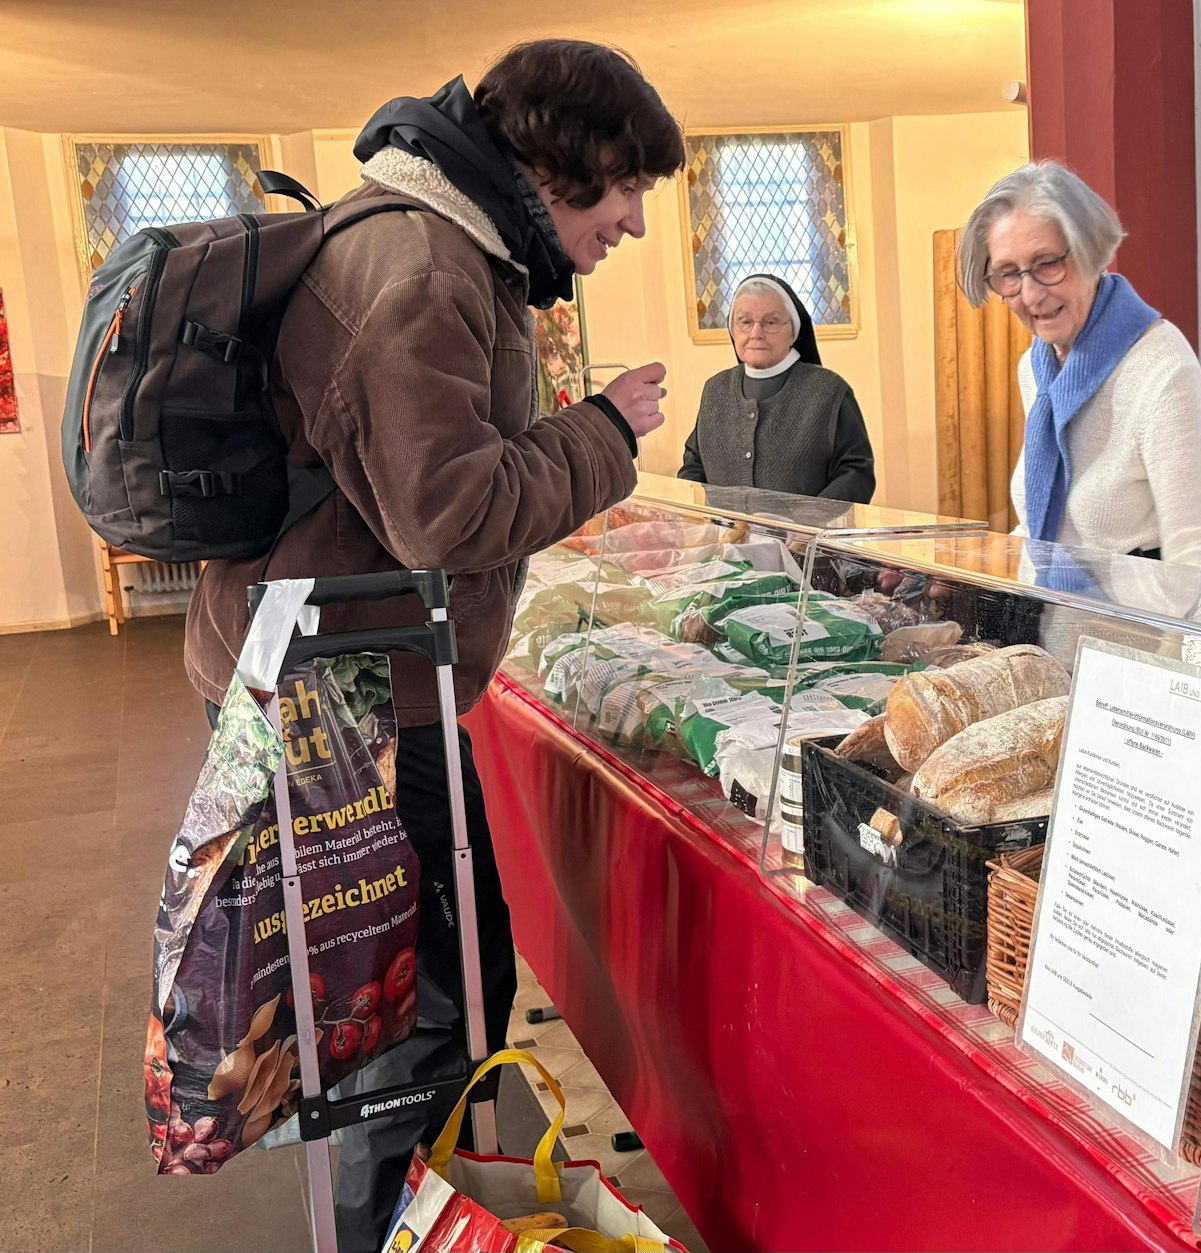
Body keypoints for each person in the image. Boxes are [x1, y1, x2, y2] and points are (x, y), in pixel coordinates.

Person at [182, 39, 683, 1250]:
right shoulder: (419, 266)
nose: (631, 222)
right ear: (564, 157)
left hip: (350, 681)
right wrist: (602, 429)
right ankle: (395, 1229)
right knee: (406, 1019)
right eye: (626, 189)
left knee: (436, 999)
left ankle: (422, 1218)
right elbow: (445, 513)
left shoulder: (442, 245)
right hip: (345, 700)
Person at [956, 161, 1201, 570]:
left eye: (1046, 263)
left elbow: (1195, 550)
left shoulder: (1160, 364)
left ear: (1091, 252)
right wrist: (972, 569)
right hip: (1048, 621)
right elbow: (1045, 529)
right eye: (1008, 274)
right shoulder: (1036, 365)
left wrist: (1157, 633)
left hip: (1130, 627)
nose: (1030, 295)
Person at [679, 273, 875, 502]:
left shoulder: (829, 391)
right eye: (745, 322)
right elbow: (694, 464)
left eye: (770, 322)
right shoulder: (715, 390)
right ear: (733, 329)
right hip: (723, 536)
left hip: (802, 537)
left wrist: (808, 524)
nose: (756, 333)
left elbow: (856, 473)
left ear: (793, 331)